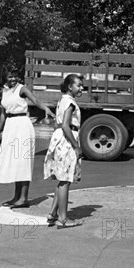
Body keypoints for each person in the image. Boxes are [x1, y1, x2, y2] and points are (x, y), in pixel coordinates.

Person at [0, 69, 54, 208]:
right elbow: (3, 113)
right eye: (10, 76)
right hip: (10, 126)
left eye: (15, 76)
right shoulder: (5, 91)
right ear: (5, 77)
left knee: (22, 161)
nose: (13, 79)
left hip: (22, 125)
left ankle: (24, 198)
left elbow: (35, 100)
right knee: (15, 162)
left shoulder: (22, 89)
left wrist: (46, 110)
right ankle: (16, 197)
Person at [44, 74, 84, 228]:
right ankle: (63, 218)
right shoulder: (70, 102)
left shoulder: (62, 100)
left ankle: (53, 213)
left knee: (62, 179)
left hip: (59, 138)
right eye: (78, 85)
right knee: (65, 180)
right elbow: (66, 125)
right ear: (70, 87)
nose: (81, 88)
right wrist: (76, 146)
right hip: (67, 141)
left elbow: (58, 124)